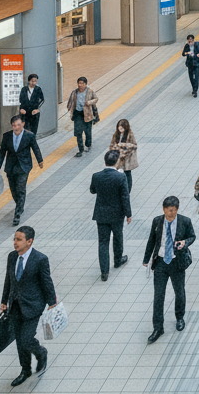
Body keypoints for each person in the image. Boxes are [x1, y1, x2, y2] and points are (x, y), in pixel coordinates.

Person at [0, 226, 57, 387]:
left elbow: (47, 282)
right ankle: (25, 370)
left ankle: (41, 352)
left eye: (19, 239)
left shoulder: (40, 259)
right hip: (15, 305)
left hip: (33, 306)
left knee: (25, 339)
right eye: (14, 239)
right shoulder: (12, 257)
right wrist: (4, 301)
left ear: (29, 241)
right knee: (19, 340)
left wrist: (52, 302)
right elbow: (8, 280)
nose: (15, 242)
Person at [142, 196, 196, 343]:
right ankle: (158, 327)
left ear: (177, 209)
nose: (170, 213)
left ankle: (179, 317)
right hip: (160, 262)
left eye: (172, 210)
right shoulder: (157, 221)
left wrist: (184, 242)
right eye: (167, 210)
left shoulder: (185, 221)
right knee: (158, 296)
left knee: (179, 292)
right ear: (163, 209)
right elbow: (152, 240)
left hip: (176, 262)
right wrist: (146, 259)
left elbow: (192, 236)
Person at [90, 149, 131, 281]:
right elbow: (125, 196)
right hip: (116, 213)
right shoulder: (121, 177)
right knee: (118, 237)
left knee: (103, 242)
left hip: (101, 213)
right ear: (117, 162)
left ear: (105, 161)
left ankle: (104, 272)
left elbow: (92, 190)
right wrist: (128, 213)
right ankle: (118, 260)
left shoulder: (96, 176)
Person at [0, 115, 44, 227]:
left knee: (21, 189)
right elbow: (2, 152)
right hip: (11, 166)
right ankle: (20, 205)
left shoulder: (29, 136)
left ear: (23, 124)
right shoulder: (6, 136)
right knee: (13, 190)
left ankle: (17, 214)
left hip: (24, 166)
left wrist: (40, 160)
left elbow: (35, 147)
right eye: (14, 125)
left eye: (18, 125)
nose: (16, 127)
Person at [65, 77, 98, 158]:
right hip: (78, 114)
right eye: (80, 83)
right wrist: (70, 109)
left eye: (83, 83)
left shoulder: (90, 91)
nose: (81, 85)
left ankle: (88, 145)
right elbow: (70, 101)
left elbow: (96, 99)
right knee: (78, 133)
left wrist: (89, 102)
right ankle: (80, 149)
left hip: (87, 114)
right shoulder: (74, 92)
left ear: (86, 84)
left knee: (87, 132)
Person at [109, 118, 138, 194]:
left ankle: (128, 191)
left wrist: (123, 145)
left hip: (126, 159)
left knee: (127, 174)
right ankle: (119, 190)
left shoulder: (130, 134)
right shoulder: (116, 134)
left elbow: (134, 146)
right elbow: (111, 145)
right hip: (117, 158)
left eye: (122, 127)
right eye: (119, 127)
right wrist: (116, 149)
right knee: (118, 174)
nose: (120, 128)